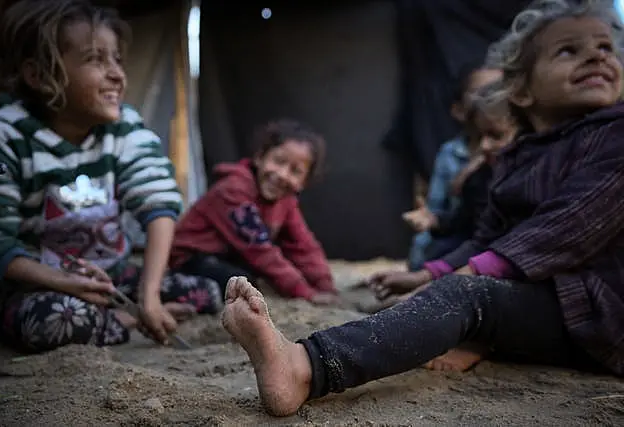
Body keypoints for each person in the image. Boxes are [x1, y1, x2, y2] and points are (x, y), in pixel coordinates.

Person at [221, 0, 624, 416]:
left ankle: (304, 368)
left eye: (606, 48)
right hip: (545, 309)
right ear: (521, 89)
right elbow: (485, 238)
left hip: (598, 318)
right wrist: (425, 274)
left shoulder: (615, 136)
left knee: (464, 297)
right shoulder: (520, 155)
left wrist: (452, 282)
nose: (597, 55)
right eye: (568, 50)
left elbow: (564, 231)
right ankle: (446, 325)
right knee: (443, 297)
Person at [0, 0, 222, 354]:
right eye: (96, 59)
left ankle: (118, 315)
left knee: (209, 291)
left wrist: (150, 296)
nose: (117, 74)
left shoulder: (123, 127)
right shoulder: (5, 134)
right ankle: (120, 321)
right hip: (32, 283)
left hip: (108, 274)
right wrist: (64, 281)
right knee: (59, 320)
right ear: (38, 75)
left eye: (117, 60)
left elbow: (157, 204)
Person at [371, 91, 518, 310]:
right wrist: (424, 274)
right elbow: (476, 233)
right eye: (479, 138)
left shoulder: (531, 182)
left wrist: (428, 288)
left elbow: (507, 251)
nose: (484, 147)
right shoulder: (480, 177)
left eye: (495, 136)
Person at [169, 119, 338, 306]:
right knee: (241, 284)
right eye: (278, 161)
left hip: (230, 256)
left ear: (304, 183)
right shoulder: (233, 190)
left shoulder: (286, 201)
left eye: (295, 171)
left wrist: (325, 285)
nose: (282, 174)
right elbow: (259, 250)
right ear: (259, 157)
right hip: (189, 260)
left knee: (261, 275)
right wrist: (306, 293)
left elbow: (303, 245)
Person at [405, 64, 502, 271]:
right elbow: (448, 214)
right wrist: (432, 221)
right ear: (458, 109)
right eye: (480, 92)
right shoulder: (453, 155)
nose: (490, 98)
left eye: (498, 89)